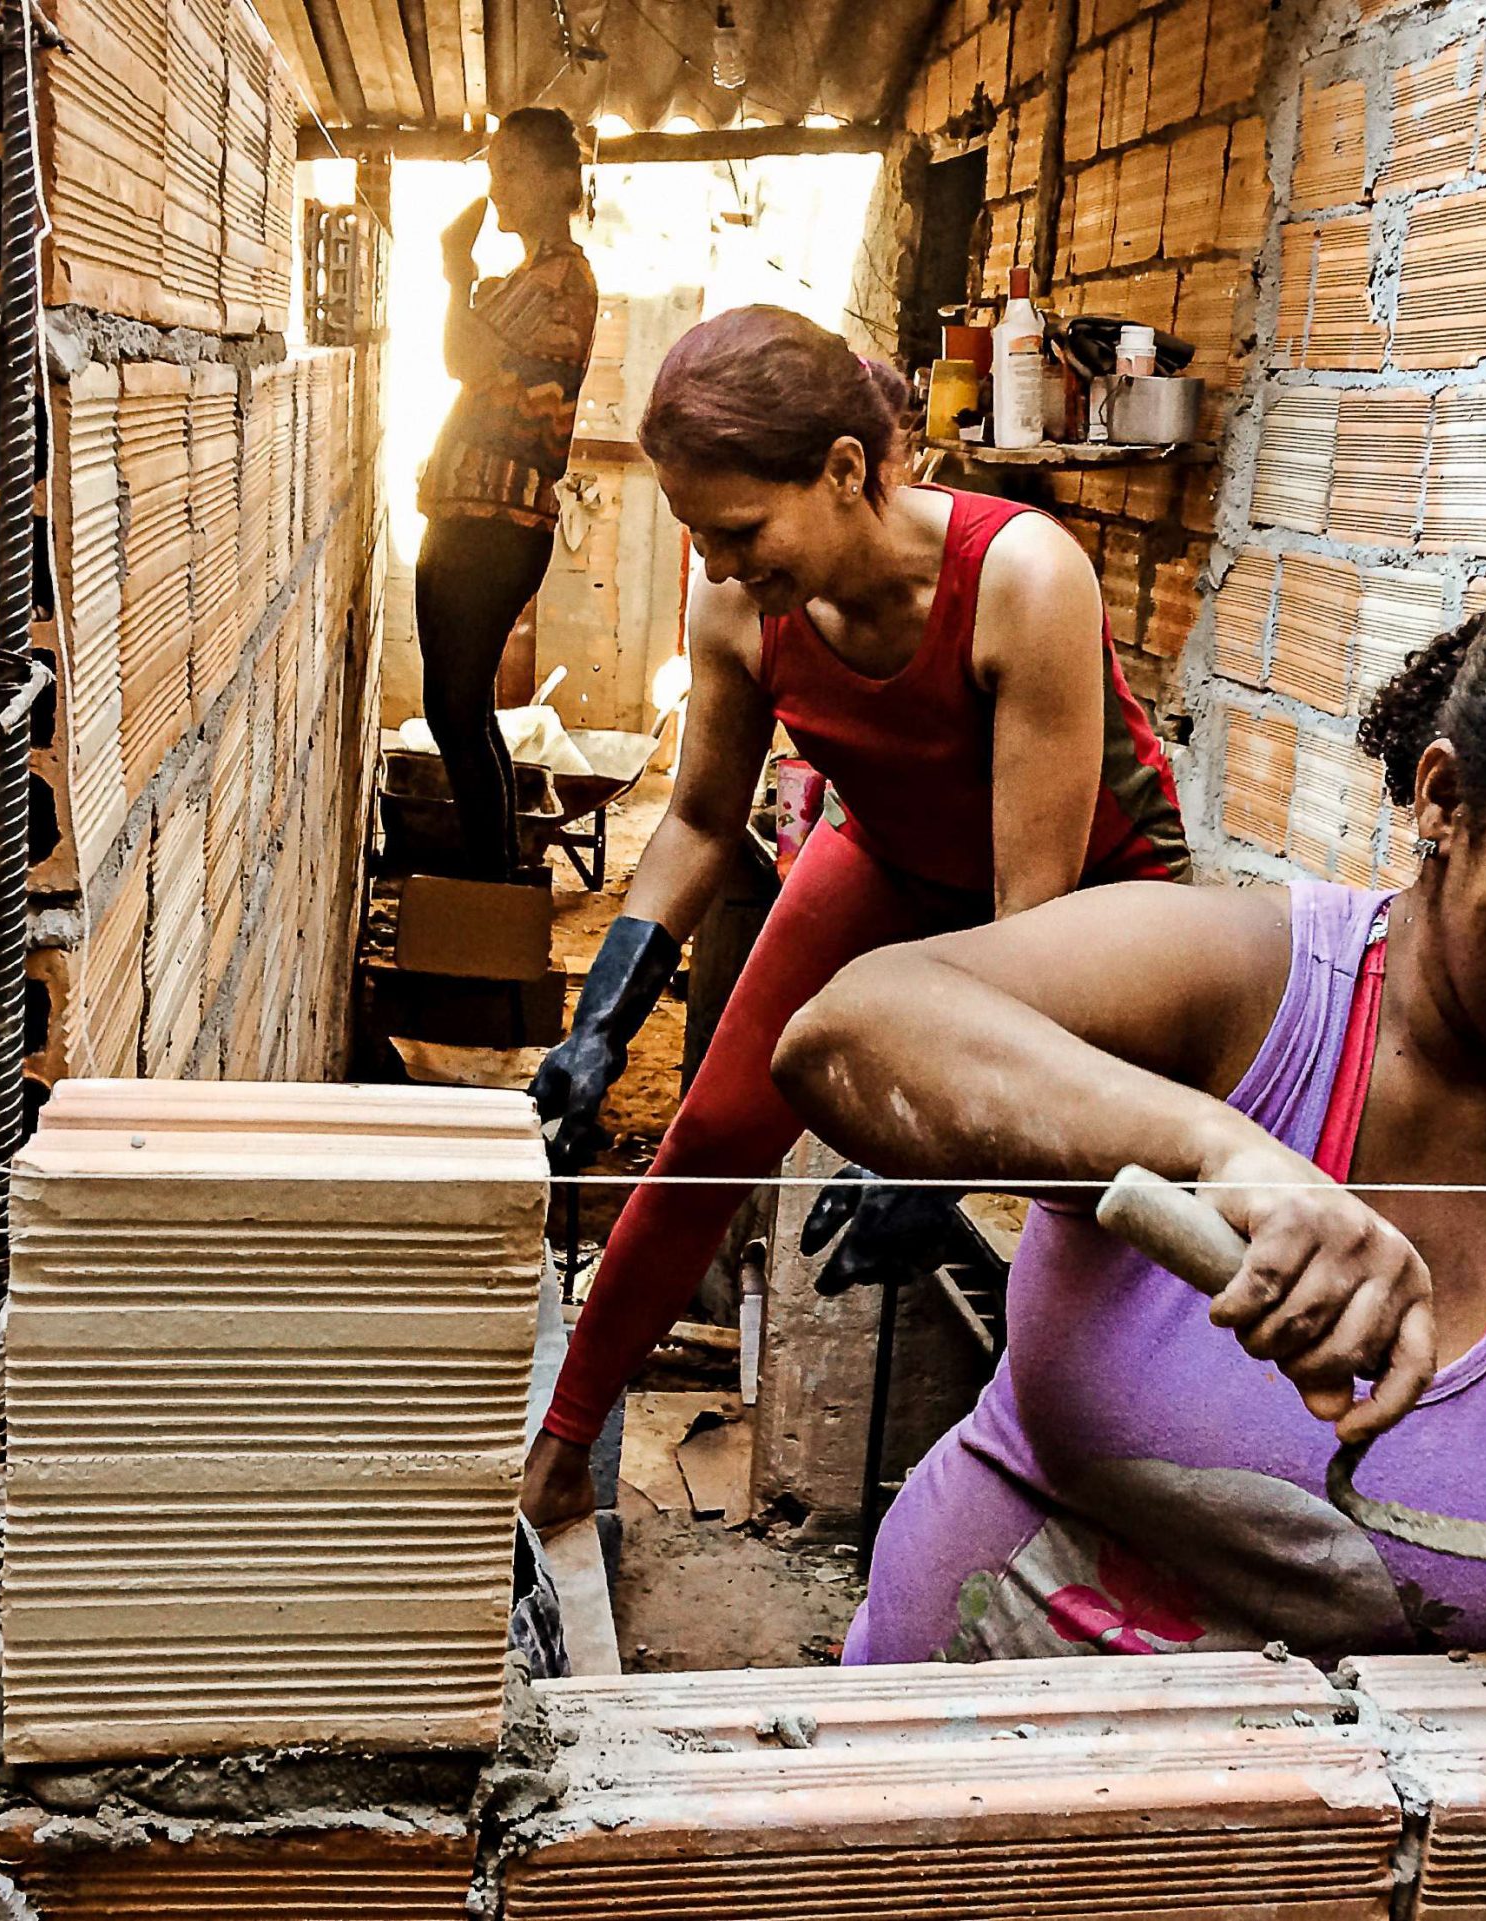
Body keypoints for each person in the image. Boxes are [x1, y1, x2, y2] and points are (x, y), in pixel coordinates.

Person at [769, 546, 1486, 1662]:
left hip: (1376, 1829)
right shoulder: (1243, 989)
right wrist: (1218, 1155)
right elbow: (849, 1031)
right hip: (958, 1759)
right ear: (1445, 799)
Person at [521, 305, 1190, 1531]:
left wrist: (944, 1158)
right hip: (892, 850)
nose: (716, 565)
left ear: (843, 471)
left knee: (1073, 1196)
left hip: (1087, 901)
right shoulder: (736, 607)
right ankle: (558, 1450)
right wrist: (604, 1014)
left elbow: (1024, 930)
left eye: (736, 531)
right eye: (693, 533)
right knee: (716, 1123)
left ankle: (1080, 1504)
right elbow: (700, 821)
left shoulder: (1023, 578)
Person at [413, 107, 599, 881]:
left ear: (562, 180)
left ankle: (488, 886)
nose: (498, 187)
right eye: (493, 169)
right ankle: (491, 881)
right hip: (475, 513)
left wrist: (456, 268)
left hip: (497, 517)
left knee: (456, 708)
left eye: (514, 169)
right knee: (462, 708)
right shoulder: (527, 277)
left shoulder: (559, 275)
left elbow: (460, 354)